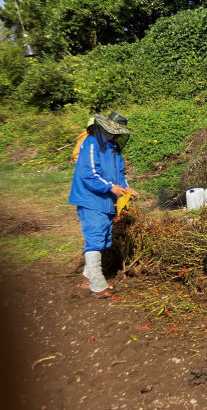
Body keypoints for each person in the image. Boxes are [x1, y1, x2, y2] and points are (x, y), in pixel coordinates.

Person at [68, 113, 138, 298]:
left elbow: (120, 174)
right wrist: (110, 187)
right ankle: (97, 285)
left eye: (118, 133)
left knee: (104, 238)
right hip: (90, 198)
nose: (115, 135)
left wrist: (127, 187)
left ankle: (87, 278)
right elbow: (89, 173)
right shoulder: (91, 143)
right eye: (113, 131)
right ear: (103, 127)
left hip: (107, 201)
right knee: (95, 239)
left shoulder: (114, 148)